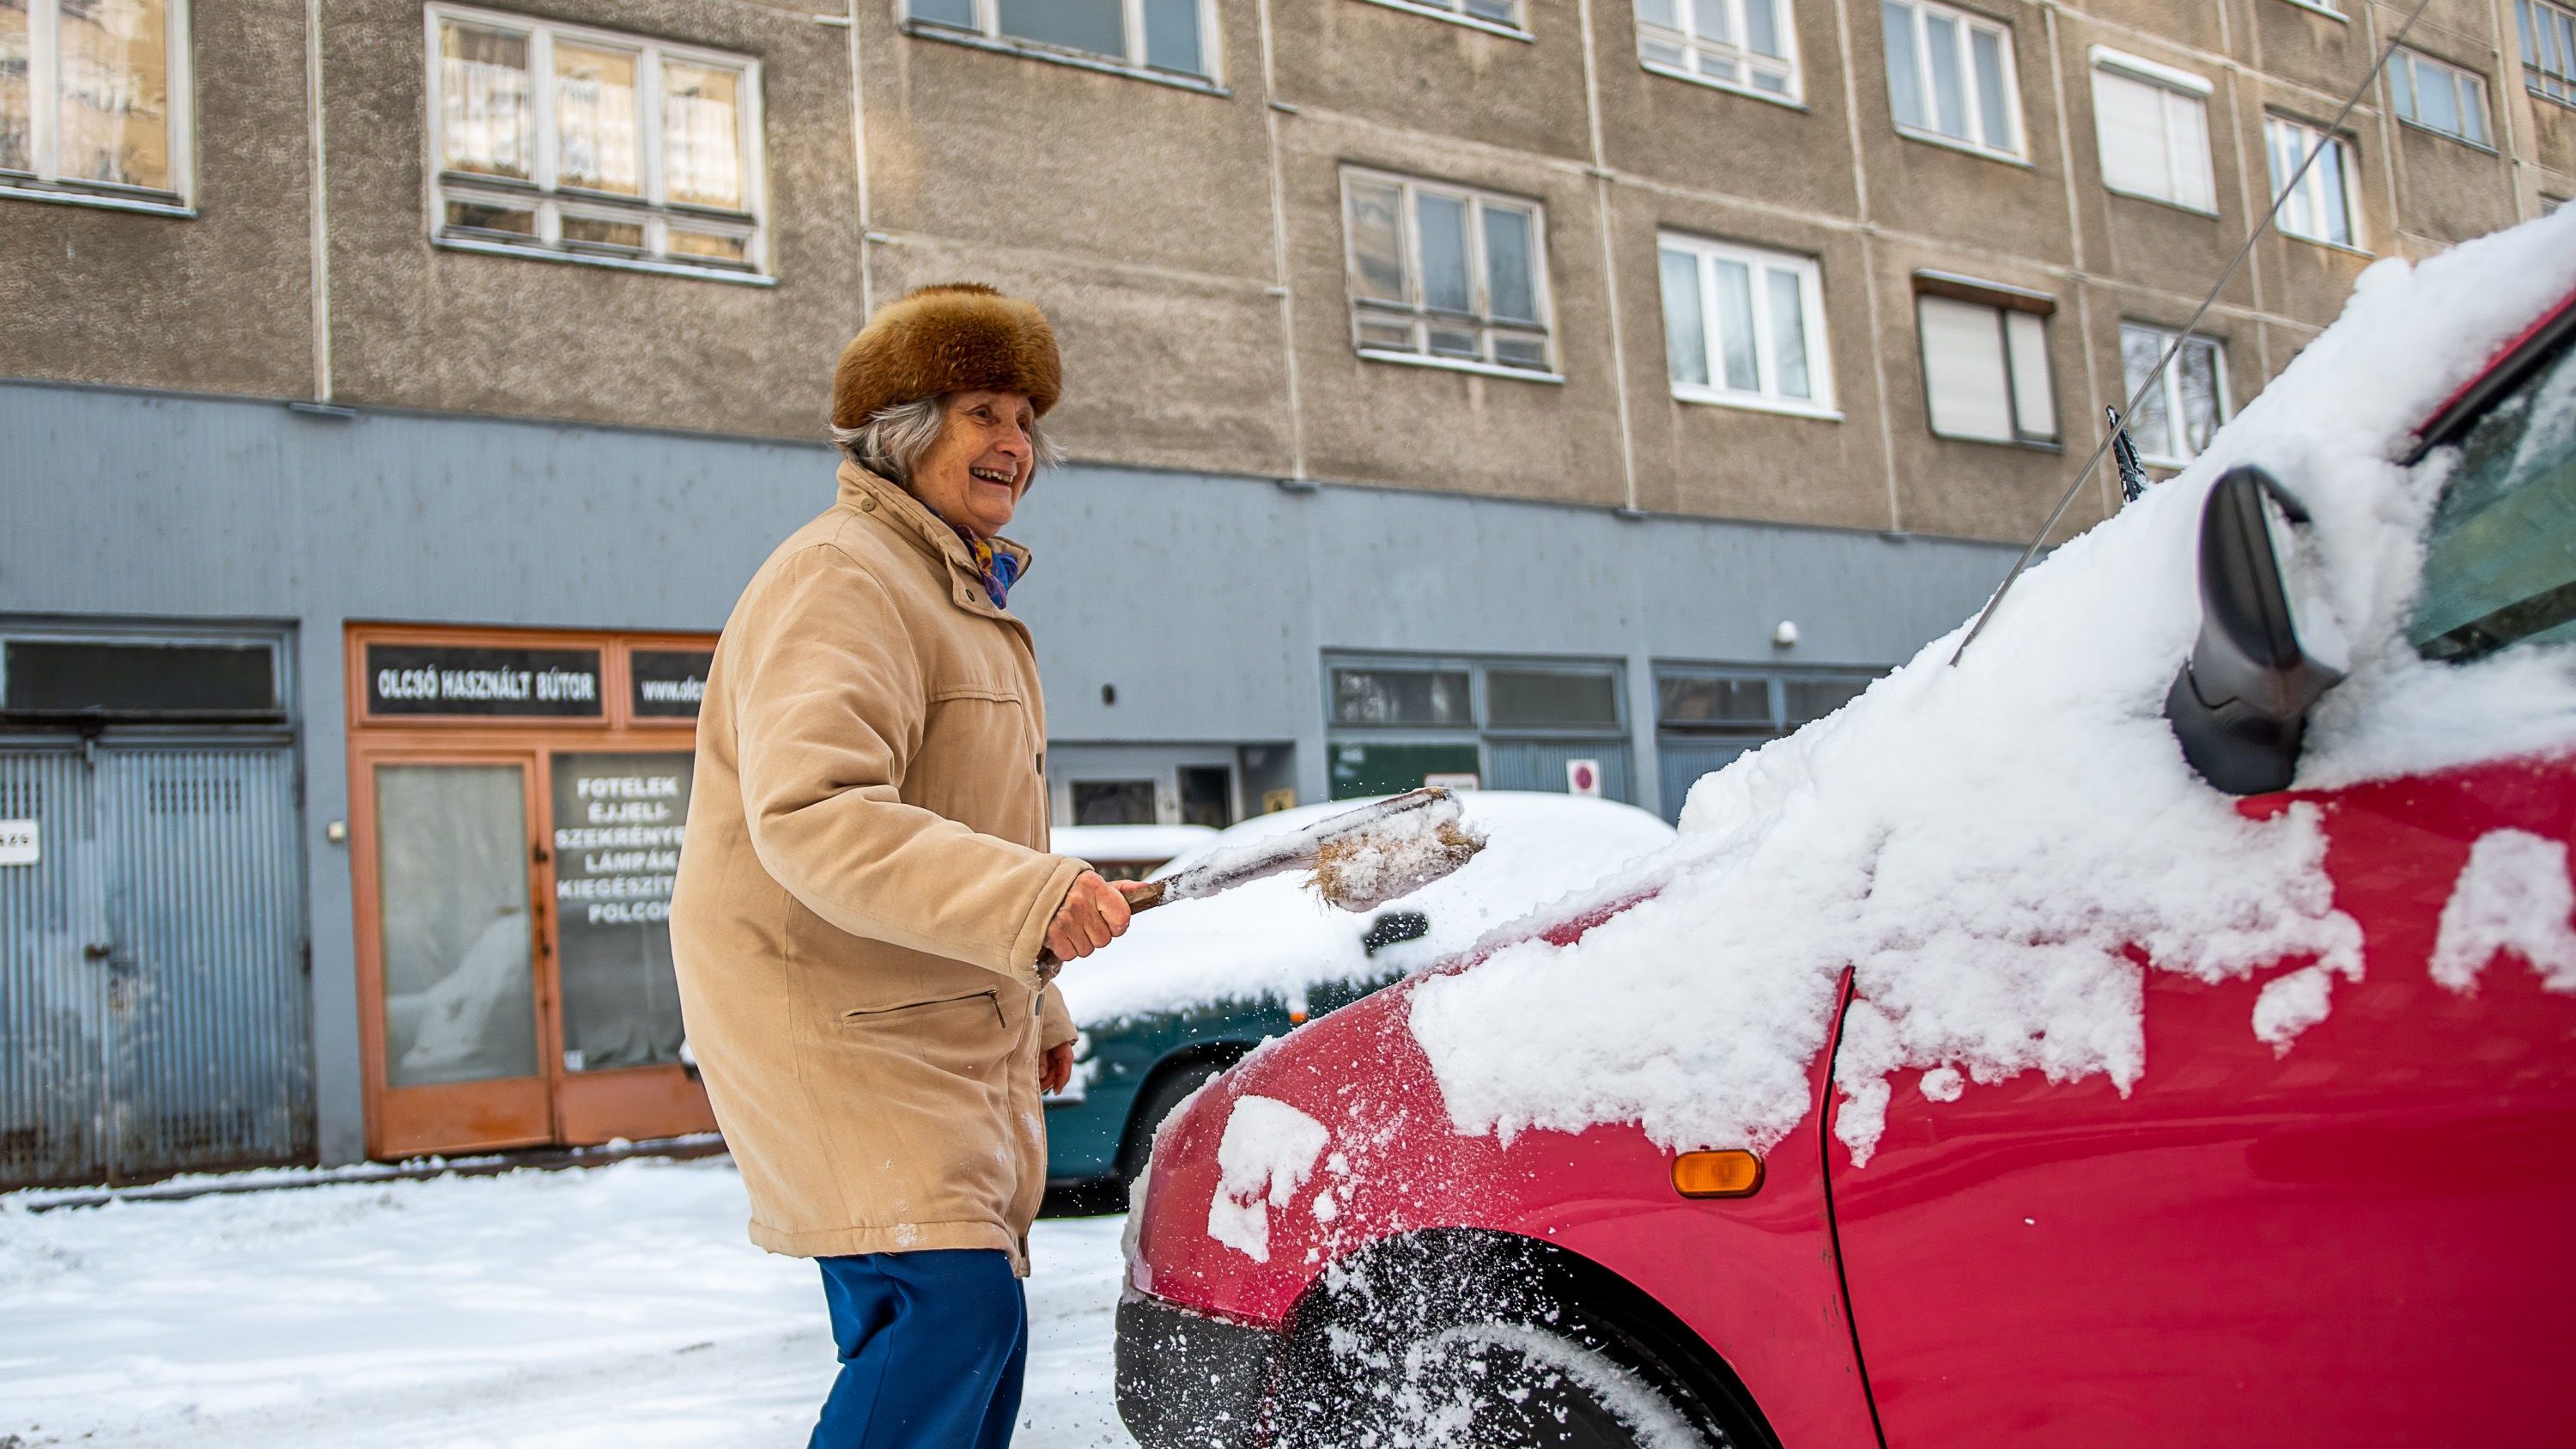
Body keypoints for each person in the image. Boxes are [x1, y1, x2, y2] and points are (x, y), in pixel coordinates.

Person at [671, 283, 1145, 1449]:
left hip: (917, 1011)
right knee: (949, 1315)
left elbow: (971, 821)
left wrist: (1038, 993)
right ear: (904, 428)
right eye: (985, 409)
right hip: (835, 1015)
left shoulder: (951, 589)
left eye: (1027, 417)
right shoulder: (847, 577)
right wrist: (1036, 901)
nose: (1016, 443)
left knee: (975, 1325)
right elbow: (817, 812)